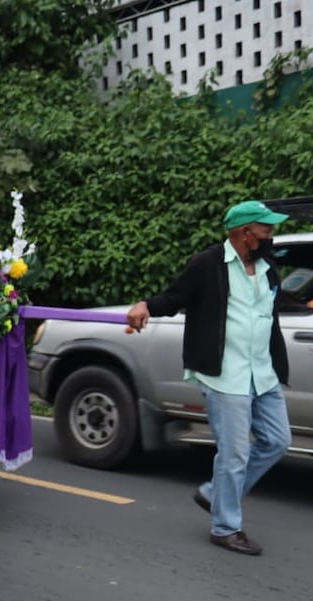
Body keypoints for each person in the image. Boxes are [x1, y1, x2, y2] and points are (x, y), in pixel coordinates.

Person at [126, 200, 292, 556]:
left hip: (262, 372)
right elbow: (176, 296)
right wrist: (145, 305)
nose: (271, 234)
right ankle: (225, 526)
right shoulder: (208, 264)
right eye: (266, 228)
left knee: (278, 440)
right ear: (245, 233)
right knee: (234, 455)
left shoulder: (266, 266)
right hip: (225, 374)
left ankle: (215, 494)